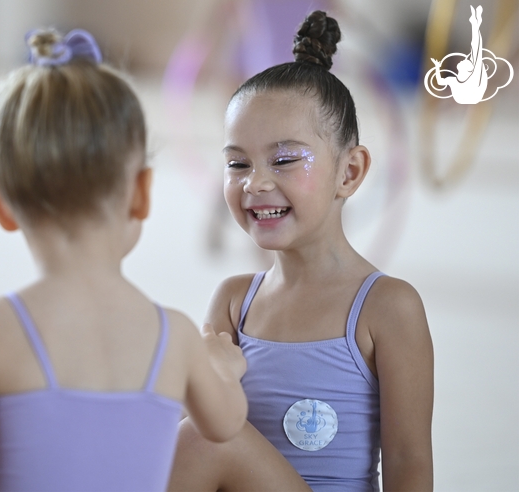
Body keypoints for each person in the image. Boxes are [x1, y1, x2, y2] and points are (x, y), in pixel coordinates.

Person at [0, 28, 252, 492]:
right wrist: (226, 367)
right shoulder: (175, 336)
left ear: (2, 206)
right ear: (141, 194)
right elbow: (226, 422)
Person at [168, 11, 434, 492]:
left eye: (285, 159)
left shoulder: (388, 307)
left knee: (210, 440)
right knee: (197, 435)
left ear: (349, 172)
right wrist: (208, 380)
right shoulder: (234, 302)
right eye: (237, 163)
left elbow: (409, 460)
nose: (256, 182)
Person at [430, 5, 487, 104]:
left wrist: (475, 25)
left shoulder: (471, 80)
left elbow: (476, 48)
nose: (461, 61)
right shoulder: (455, 80)